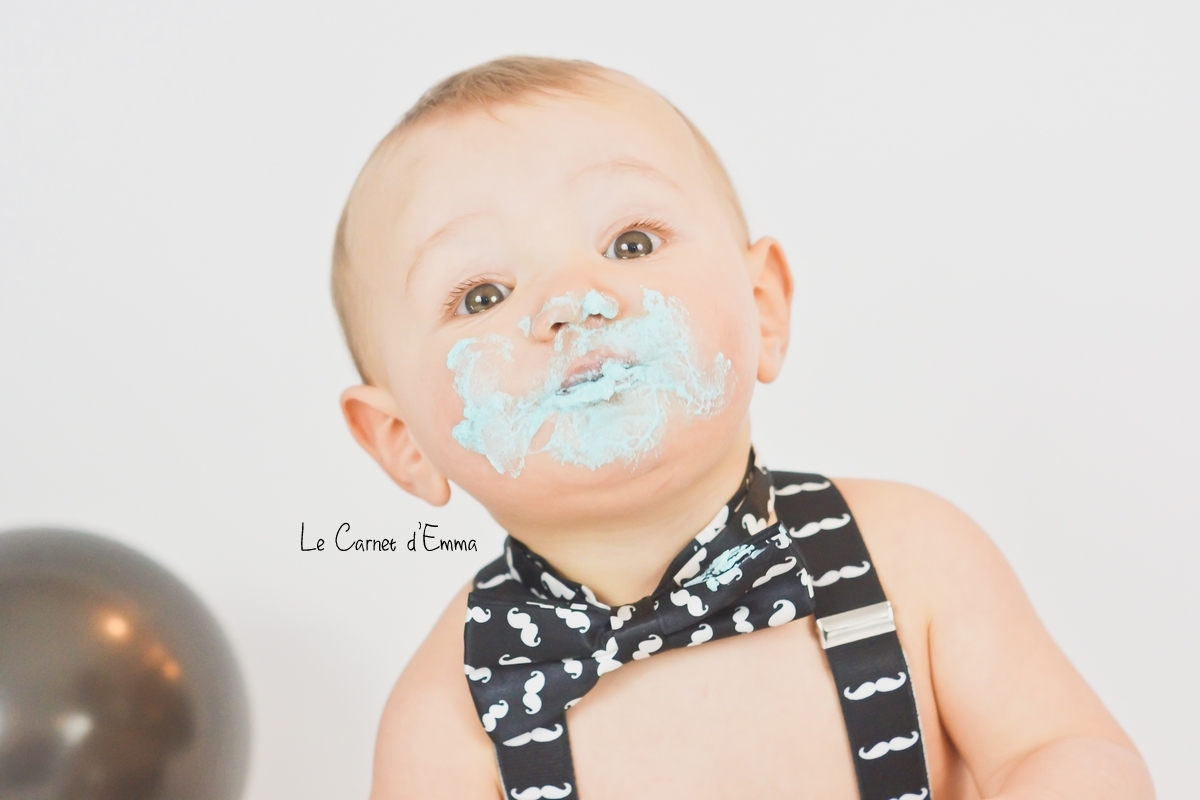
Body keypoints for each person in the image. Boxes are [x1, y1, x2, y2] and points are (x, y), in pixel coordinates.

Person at [331, 56, 1152, 800]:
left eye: (631, 242)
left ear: (763, 309)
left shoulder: (913, 558)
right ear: (401, 442)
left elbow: (1065, 750)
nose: (572, 301)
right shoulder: (451, 710)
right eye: (482, 295)